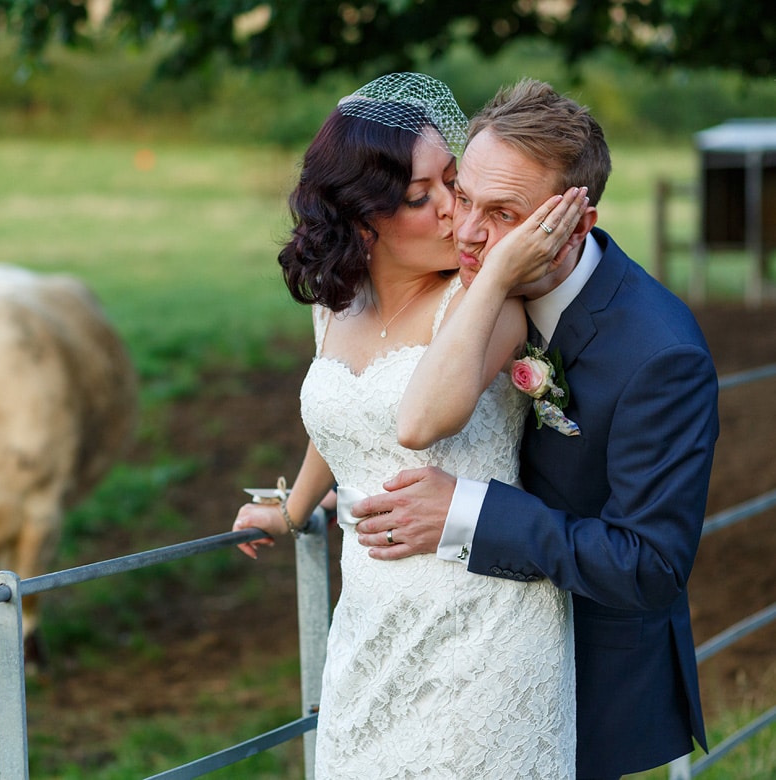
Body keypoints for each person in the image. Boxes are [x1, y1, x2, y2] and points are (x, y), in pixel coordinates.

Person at [351, 79, 719, 780]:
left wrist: (464, 512)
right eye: (464, 196)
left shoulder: (659, 355)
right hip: (445, 657)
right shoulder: (463, 287)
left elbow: (650, 564)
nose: (465, 230)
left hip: (582, 687)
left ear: (575, 226)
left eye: (503, 213)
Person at [231, 72, 588, 778]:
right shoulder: (336, 306)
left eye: (453, 184)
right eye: (425, 198)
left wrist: (489, 278)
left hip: (483, 621)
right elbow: (341, 419)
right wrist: (292, 508)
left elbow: (426, 417)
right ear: (365, 220)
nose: (458, 213)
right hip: (371, 618)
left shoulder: (489, 303)